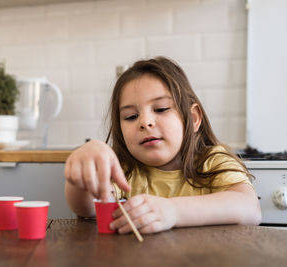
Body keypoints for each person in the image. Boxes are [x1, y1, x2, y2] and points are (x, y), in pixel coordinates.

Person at [64, 56, 262, 234]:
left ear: (193, 118)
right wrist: (82, 168)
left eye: (160, 109)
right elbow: (87, 208)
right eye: (131, 116)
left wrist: (173, 211)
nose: (145, 122)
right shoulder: (125, 172)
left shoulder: (213, 161)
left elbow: (249, 209)